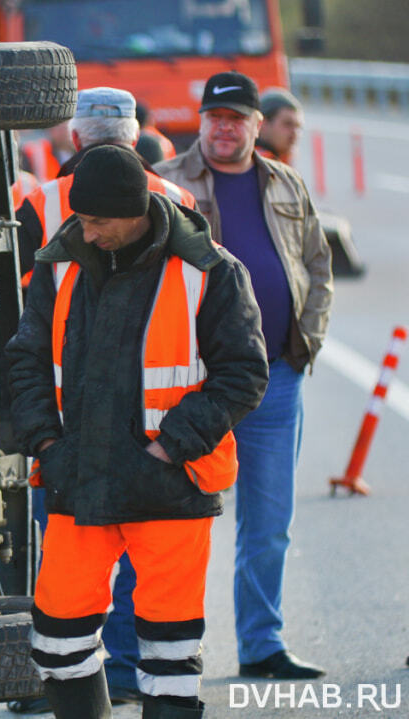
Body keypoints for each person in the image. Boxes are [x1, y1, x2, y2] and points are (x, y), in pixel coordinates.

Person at [7, 144, 269, 718]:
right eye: (82, 219)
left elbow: (244, 375)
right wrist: (47, 443)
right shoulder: (59, 265)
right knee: (55, 641)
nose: (89, 232)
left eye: (99, 221)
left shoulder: (211, 271)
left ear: (134, 210)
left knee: (170, 656)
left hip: (170, 486)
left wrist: (169, 446)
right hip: (78, 477)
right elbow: (25, 359)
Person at [156, 71, 333, 681]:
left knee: (269, 522)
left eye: (237, 118)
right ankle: (166, 652)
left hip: (278, 379)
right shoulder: (170, 185)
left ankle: (262, 646)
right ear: (201, 121)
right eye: (215, 117)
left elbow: (316, 263)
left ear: (259, 126)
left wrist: (306, 339)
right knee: (171, 521)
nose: (224, 128)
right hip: (192, 383)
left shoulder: (286, 182)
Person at [15, 87, 195, 287]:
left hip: (63, 318)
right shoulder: (179, 197)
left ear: (75, 138)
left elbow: (9, 272)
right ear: (135, 139)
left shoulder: (43, 199)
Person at [255, 88, 305, 164]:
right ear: (263, 124)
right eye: (288, 124)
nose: (295, 132)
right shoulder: (254, 165)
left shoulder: (279, 164)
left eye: (298, 127)